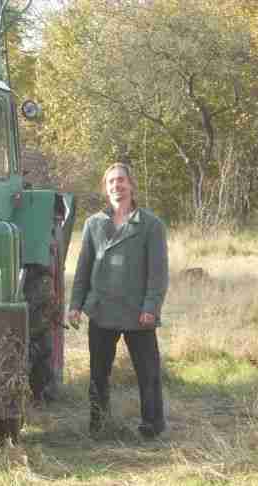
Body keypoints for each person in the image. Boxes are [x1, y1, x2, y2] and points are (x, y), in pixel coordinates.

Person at [68, 162, 169, 438]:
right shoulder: (94, 224)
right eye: (111, 182)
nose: (117, 186)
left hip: (138, 313)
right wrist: (75, 305)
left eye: (121, 180)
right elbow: (83, 268)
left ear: (131, 185)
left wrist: (151, 307)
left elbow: (158, 273)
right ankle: (99, 425)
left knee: (147, 373)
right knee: (98, 375)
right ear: (105, 188)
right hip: (101, 311)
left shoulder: (151, 225)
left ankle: (152, 426)